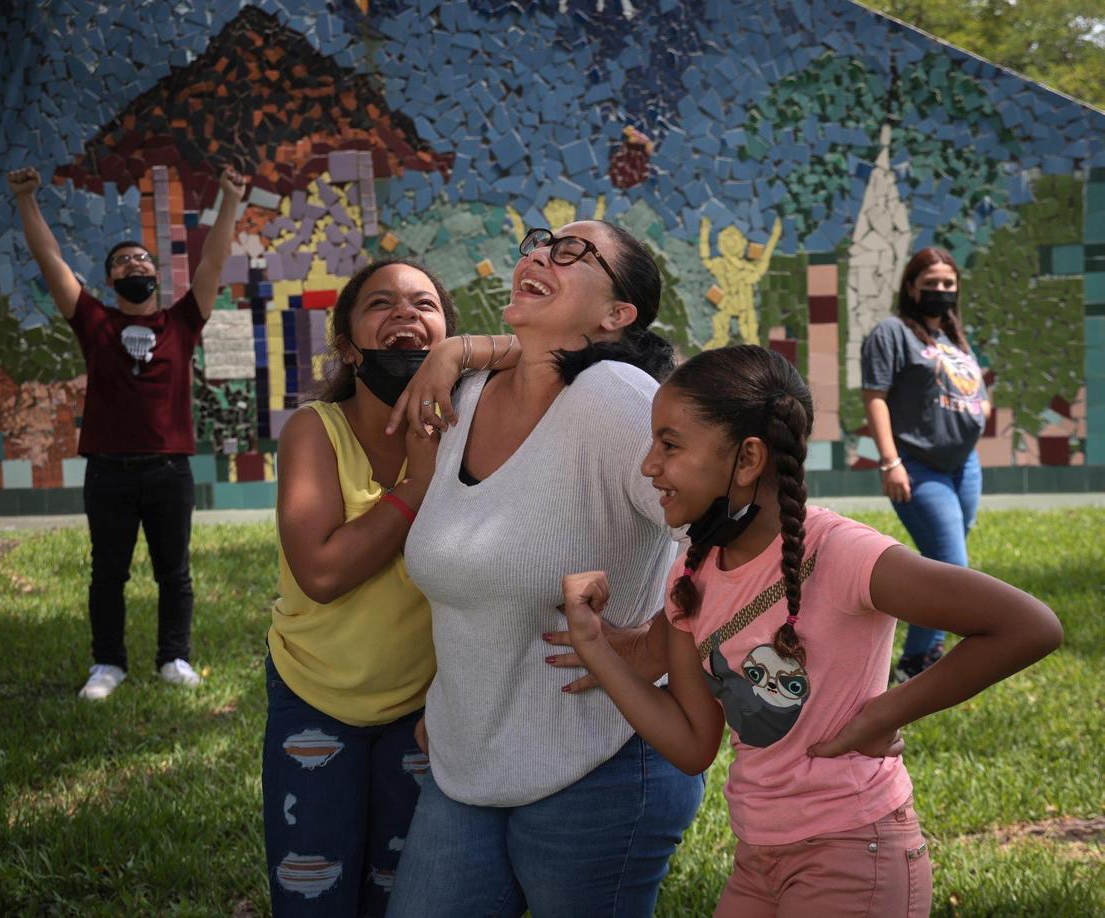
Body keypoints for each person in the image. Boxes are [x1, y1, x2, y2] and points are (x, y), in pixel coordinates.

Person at [560, 345, 1061, 917]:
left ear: (747, 459)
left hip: (855, 851)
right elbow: (693, 744)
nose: (649, 465)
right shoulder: (693, 573)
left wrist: (884, 713)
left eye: (669, 445)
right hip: (759, 856)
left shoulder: (838, 552)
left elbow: (1028, 626)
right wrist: (595, 646)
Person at [385, 223, 705, 918]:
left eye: (570, 252)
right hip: (465, 764)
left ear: (616, 315)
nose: (536, 254)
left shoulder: (614, 397)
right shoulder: (465, 399)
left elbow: (731, 534)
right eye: (538, 242)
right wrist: (463, 692)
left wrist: (654, 643)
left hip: (600, 765)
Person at [263, 258, 515, 915]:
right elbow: (321, 573)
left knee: (398, 892)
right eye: (381, 304)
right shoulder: (314, 430)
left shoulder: (474, 428)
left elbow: (569, 351)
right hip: (315, 694)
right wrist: (418, 484)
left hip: (424, 708)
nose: (404, 313)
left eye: (424, 304)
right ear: (347, 346)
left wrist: (462, 354)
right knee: (313, 890)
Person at [7, 162, 247, 700]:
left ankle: (174, 658)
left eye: (141, 258)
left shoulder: (183, 322)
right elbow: (50, 259)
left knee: (174, 574)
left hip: (169, 472)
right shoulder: (94, 322)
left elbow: (213, 260)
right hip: (109, 471)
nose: (134, 263)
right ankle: (108, 665)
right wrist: (26, 200)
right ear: (110, 279)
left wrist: (230, 198)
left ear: (156, 276)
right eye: (122, 261)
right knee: (107, 574)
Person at [861, 248, 991, 682]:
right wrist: (890, 461)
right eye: (931, 283)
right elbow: (875, 396)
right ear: (911, 286)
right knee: (952, 566)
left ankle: (920, 655)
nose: (940, 291)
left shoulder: (951, 336)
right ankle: (917, 661)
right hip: (917, 465)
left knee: (940, 562)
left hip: (963, 466)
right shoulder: (891, 333)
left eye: (948, 284)